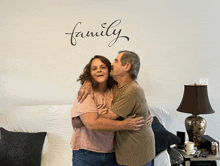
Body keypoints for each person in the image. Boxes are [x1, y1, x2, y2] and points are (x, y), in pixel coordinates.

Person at [75, 51, 155, 166]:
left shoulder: (131, 90)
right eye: (94, 68)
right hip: (120, 149)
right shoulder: (115, 86)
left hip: (137, 150)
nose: (112, 64)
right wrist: (87, 82)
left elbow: (100, 120)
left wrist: (84, 118)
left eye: (116, 61)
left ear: (127, 66)